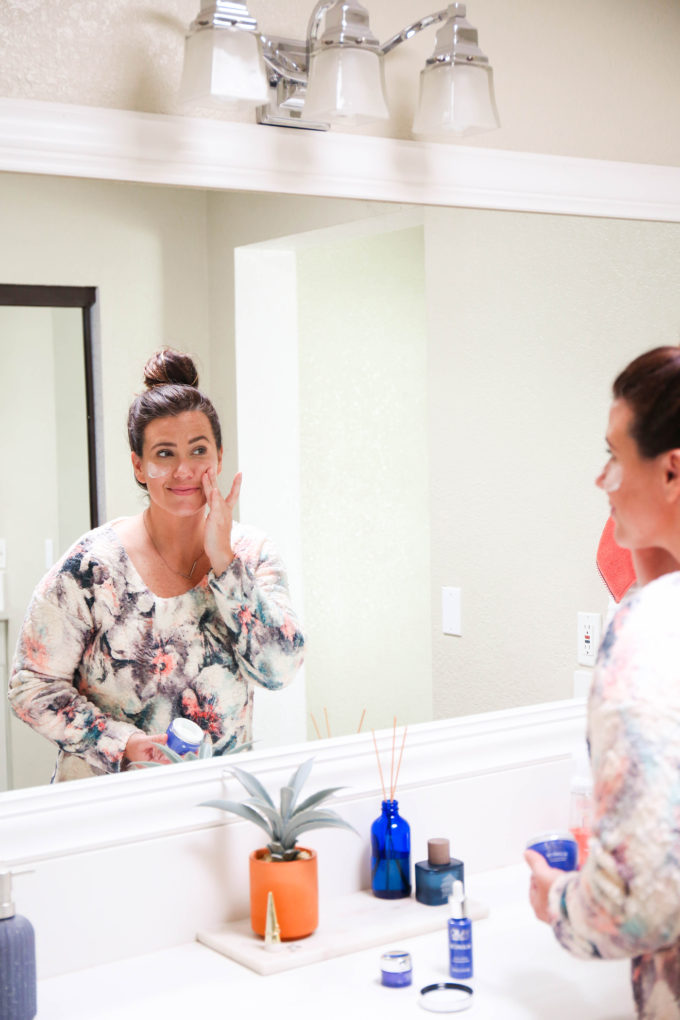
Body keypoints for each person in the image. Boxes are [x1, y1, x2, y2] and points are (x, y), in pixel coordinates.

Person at [9, 348, 305, 782]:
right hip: (108, 802)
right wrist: (120, 742)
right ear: (139, 466)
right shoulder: (92, 568)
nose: (184, 470)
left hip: (212, 803)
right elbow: (30, 686)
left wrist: (225, 564)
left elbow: (280, 671)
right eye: (164, 454)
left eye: (198, 450)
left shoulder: (252, 552)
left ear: (219, 458)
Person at [525, 345, 680, 1019]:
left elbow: (636, 904)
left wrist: (557, 900)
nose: (602, 480)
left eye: (615, 456)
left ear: (672, 469)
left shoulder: (651, 630)